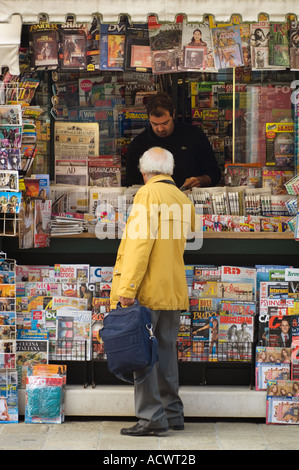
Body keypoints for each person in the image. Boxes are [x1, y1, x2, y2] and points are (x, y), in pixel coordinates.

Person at [110, 146, 197, 436]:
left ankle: (151, 418)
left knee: (142, 355)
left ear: (144, 171)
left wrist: (128, 288)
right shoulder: (182, 199)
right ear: (169, 170)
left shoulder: (148, 195)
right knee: (166, 354)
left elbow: (139, 246)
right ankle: (173, 413)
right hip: (172, 288)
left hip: (147, 289)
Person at [125, 92, 221, 189]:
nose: (160, 129)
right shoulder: (138, 144)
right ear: (149, 118)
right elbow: (130, 183)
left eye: (165, 123)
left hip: (188, 198)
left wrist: (200, 180)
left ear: (173, 114)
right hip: (154, 200)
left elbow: (214, 174)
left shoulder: (194, 136)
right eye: (154, 124)